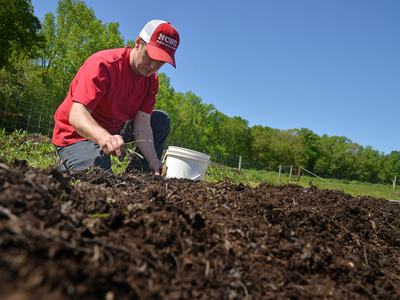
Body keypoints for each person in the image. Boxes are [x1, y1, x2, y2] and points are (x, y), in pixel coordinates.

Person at [52, 20, 180, 175]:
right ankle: (68, 160)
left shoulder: (151, 80)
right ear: (138, 43)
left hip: (114, 130)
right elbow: (77, 115)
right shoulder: (104, 65)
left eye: (160, 62)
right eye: (150, 57)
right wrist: (104, 138)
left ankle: (138, 175)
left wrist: (153, 159)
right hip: (77, 134)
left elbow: (143, 125)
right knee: (98, 174)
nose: (153, 66)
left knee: (160, 120)